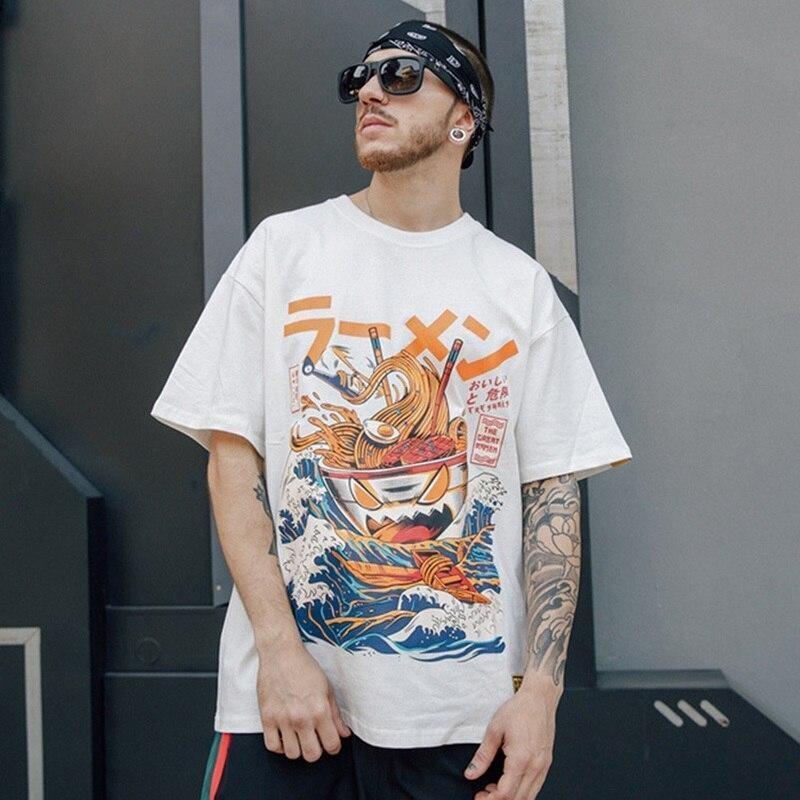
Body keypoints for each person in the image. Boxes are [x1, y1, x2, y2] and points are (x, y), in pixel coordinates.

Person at [151, 17, 632, 800]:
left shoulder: (517, 287)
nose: (370, 92)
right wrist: (279, 652)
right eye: (361, 78)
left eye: (402, 77)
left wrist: (542, 694)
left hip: (465, 719)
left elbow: (553, 496)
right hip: (289, 706)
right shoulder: (283, 250)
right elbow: (232, 460)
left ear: (463, 118)